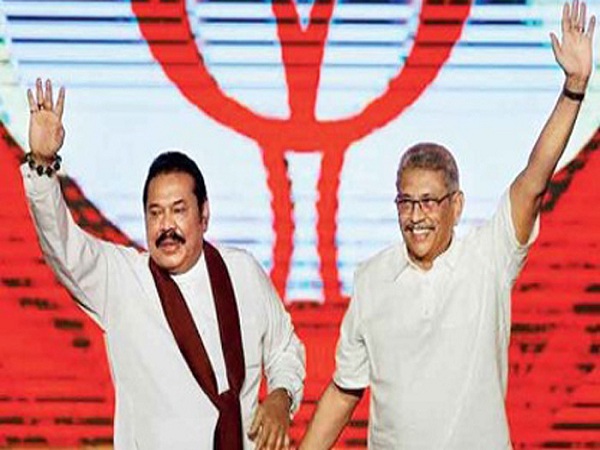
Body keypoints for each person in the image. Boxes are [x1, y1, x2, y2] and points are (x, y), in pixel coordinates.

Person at [299, 1, 595, 448]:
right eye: (406, 202)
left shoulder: (487, 257)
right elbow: (345, 390)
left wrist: (574, 88)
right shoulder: (373, 279)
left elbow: (535, 181)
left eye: (428, 202)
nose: (416, 216)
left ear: (456, 205)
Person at [23, 79, 305, 450]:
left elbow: (285, 348)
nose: (166, 226)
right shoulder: (123, 281)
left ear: (204, 215)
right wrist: (42, 164)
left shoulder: (243, 272)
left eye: (178, 210)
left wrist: (282, 396)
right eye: (155, 213)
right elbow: (61, 243)